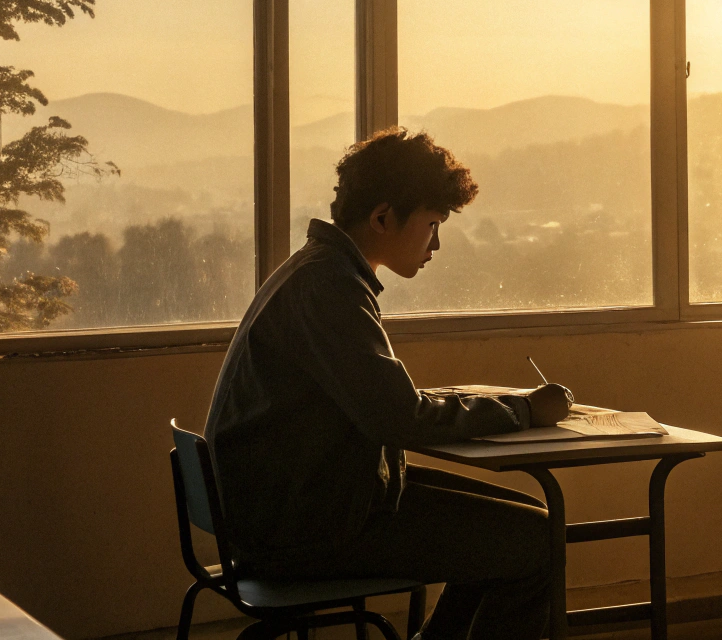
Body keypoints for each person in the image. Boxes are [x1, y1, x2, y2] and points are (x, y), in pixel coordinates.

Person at [205, 127, 571, 640]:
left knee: (531, 521)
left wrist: (498, 403)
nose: (436, 243)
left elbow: (388, 402)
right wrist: (524, 411)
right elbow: (399, 418)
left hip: (301, 502)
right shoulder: (331, 287)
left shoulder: (317, 268)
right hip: (306, 527)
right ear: (382, 218)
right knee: (536, 540)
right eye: (432, 224)